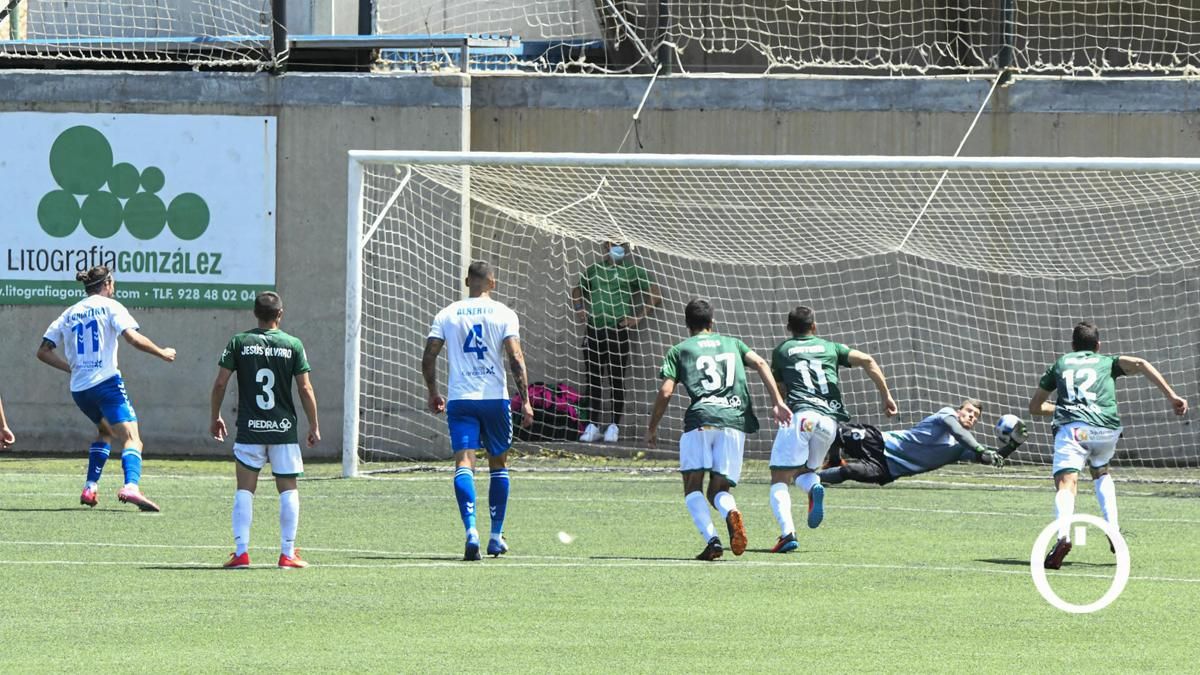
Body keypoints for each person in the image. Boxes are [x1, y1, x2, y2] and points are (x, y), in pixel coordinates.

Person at [1028, 321, 1187, 570]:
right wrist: (1172, 396)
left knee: (1067, 482)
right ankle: (1112, 529)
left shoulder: (1060, 364)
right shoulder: (1107, 362)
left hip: (1074, 430)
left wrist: (1062, 408)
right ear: (1098, 346)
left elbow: (1035, 407)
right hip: (1106, 430)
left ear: (1072, 346)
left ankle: (1063, 537)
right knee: (1101, 472)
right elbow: (1142, 363)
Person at [645, 298, 791, 561]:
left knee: (693, 487)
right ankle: (729, 511)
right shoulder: (733, 343)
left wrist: (652, 426)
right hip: (734, 422)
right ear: (712, 322)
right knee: (719, 490)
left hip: (700, 421)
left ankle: (713, 541)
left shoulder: (680, 349)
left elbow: (666, 391)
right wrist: (778, 402)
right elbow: (760, 363)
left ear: (687, 324)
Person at [36, 266, 175, 511]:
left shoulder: (68, 313)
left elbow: (43, 352)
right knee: (132, 438)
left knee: (106, 433)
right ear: (108, 283)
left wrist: (73, 368)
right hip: (106, 384)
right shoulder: (112, 306)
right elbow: (132, 338)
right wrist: (162, 352)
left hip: (80, 390)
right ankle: (131, 486)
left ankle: (90, 486)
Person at [423, 261, 534, 561]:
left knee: (464, 463)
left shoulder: (447, 313)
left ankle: (471, 530)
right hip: (493, 399)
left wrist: (433, 392)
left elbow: (429, 354)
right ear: (492, 283)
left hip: (460, 399)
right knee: (498, 465)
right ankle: (495, 536)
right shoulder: (504, 313)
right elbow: (515, 357)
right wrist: (525, 399)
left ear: (466, 281)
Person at [766, 306, 897, 553]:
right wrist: (886, 396)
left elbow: (781, 390)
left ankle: (787, 534)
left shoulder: (782, 351)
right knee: (805, 472)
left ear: (789, 328)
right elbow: (868, 360)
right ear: (813, 326)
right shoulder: (830, 347)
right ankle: (814, 486)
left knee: (779, 478)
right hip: (829, 422)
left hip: (802, 416)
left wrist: (780, 407)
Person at [210, 291, 320, 569]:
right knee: (288, 490)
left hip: (250, 429)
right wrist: (314, 424)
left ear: (255, 314)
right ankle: (287, 553)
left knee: (245, 490)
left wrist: (215, 416)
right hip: (283, 430)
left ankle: (241, 552)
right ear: (280, 314)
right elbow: (305, 388)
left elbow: (220, 383)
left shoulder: (239, 342)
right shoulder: (293, 344)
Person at [571, 240, 662, 444]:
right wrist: (579, 308)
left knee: (617, 379)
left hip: (617, 330)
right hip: (594, 330)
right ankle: (592, 426)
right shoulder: (594, 269)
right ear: (605, 246)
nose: (617, 248)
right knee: (593, 378)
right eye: (613, 244)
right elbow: (577, 290)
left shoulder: (632, 271)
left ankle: (614, 426)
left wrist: (638, 317)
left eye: (620, 244)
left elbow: (655, 294)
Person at [817, 399, 1018, 487]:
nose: (972, 417)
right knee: (834, 431)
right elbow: (959, 432)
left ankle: (812, 481)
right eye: (969, 412)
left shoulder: (959, 450)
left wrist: (1015, 443)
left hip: (886, 469)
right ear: (959, 411)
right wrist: (980, 449)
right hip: (879, 442)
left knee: (850, 472)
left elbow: (993, 458)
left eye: (975, 417)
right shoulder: (946, 414)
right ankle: (833, 459)